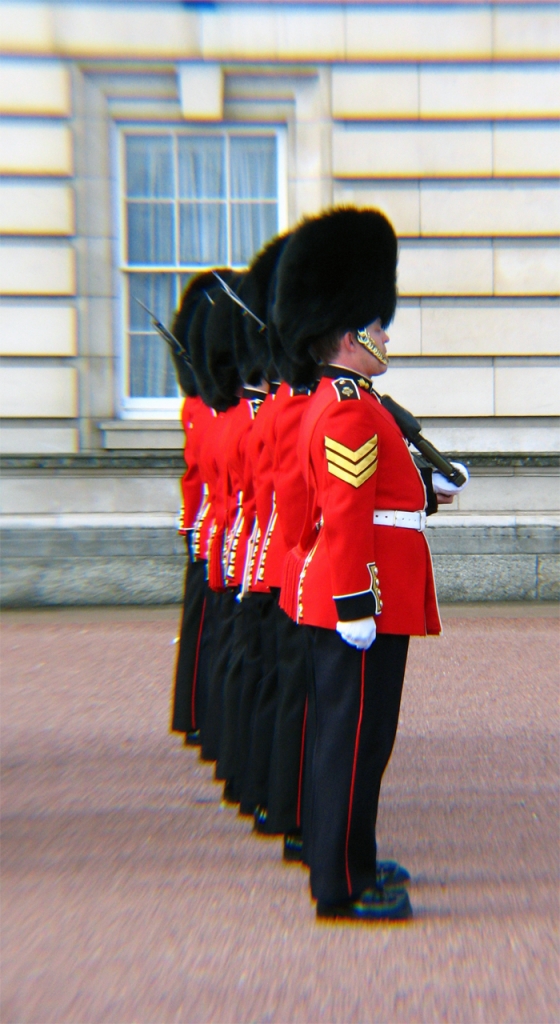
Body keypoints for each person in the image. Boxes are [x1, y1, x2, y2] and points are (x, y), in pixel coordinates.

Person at [273, 206, 443, 921]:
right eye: (376, 325)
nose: (385, 335)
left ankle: (354, 857)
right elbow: (342, 515)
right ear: (350, 334)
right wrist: (354, 603)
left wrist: (429, 486)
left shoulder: (348, 401)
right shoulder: (346, 408)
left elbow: (361, 497)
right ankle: (340, 885)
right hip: (365, 598)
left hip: (371, 591)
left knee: (363, 740)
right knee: (353, 741)